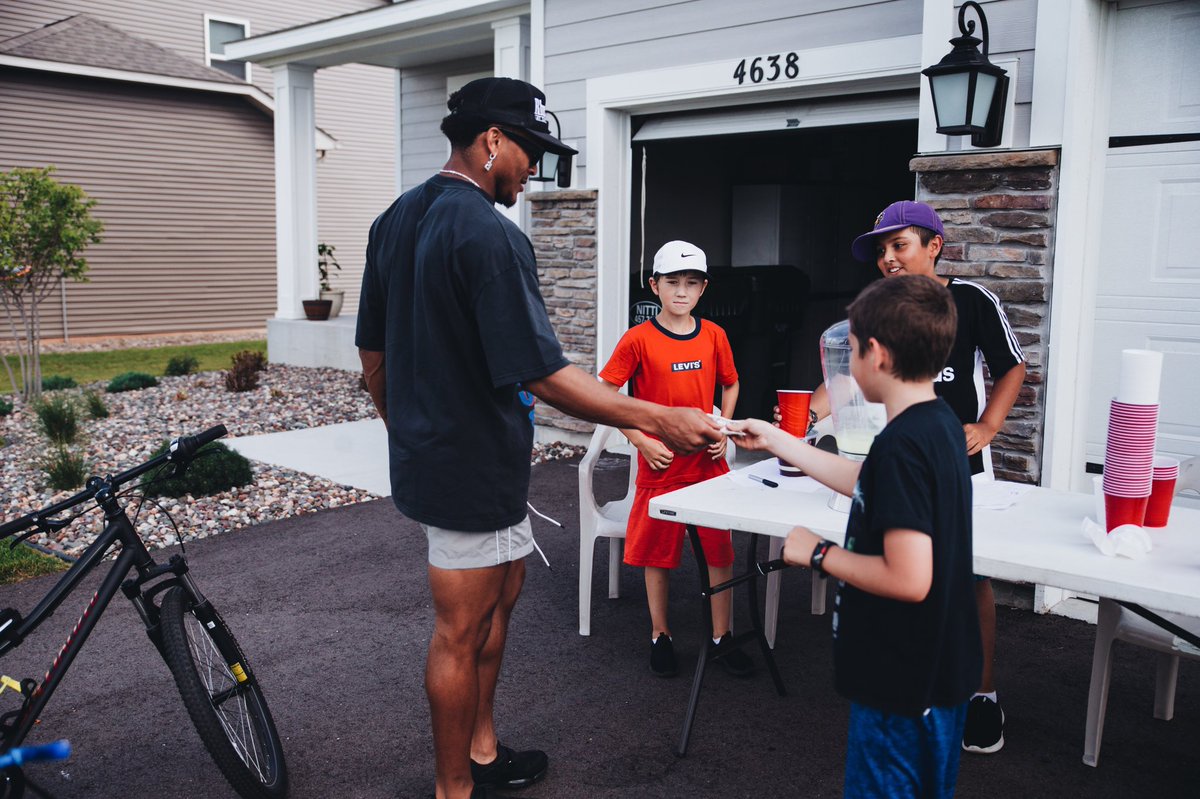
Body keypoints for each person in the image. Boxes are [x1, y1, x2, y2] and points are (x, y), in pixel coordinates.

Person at [355, 77, 723, 799]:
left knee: (506, 591)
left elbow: (374, 357)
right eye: (530, 152)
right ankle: (455, 787)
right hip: (470, 470)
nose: (535, 169)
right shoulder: (490, 233)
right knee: (460, 630)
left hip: (458, 462)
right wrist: (656, 417)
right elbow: (545, 373)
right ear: (493, 141)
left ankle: (484, 750)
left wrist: (412, 432)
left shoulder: (392, 220)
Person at [784, 200, 1025, 753]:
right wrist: (803, 420)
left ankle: (979, 693)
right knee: (899, 562)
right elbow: (840, 374)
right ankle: (919, 688)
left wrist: (989, 423)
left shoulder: (971, 299)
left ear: (934, 246)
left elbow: (1012, 365)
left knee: (967, 576)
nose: (889, 258)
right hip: (885, 454)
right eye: (881, 251)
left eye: (900, 246)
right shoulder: (874, 312)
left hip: (955, 456)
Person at [732, 274, 981, 799]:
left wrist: (818, 553)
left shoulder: (902, 446)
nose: (845, 361)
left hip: (902, 684)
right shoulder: (937, 425)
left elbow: (910, 578)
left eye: (852, 347)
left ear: (878, 356)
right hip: (939, 673)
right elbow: (867, 483)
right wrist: (779, 439)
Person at [599, 240, 753, 679]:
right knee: (658, 555)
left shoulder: (714, 335)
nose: (681, 292)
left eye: (691, 283)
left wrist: (723, 428)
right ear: (655, 286)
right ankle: (660, 634)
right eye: (672, 283)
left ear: (703, 289)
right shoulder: (638, 340)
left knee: (720, 550)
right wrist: (639, 441)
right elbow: (604, 398)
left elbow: (731, 383)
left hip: (707, 466)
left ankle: (722, 637)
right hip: (662, 465)